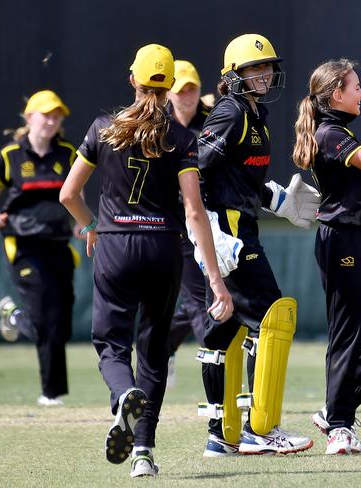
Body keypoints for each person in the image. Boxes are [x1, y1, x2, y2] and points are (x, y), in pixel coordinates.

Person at [58, 43, 233, 478]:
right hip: (163, 248)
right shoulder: (182, 138)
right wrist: (216, 280)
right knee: (153, 352)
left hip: (115, 246)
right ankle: (142, 453)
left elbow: (68, 194)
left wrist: (90, 227)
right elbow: (194, 211)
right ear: (170, 85)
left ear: (132, 80)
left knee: (111, 345)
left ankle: (122, 395)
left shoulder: (103, 128)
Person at [194, 33, 318, 457]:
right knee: (273, 316)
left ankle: (221, 435)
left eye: (266, 67)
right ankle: (261, 430)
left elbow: (240, 180)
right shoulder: (229, 112)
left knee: (227, 329)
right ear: (234, 75)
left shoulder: (253, 113)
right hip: (228, 229)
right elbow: (193, 170)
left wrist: (281, 201)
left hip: (241, 221)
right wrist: (207, 229)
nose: (264, 74)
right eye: (254, 68)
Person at [292, 59, 361, 455]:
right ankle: (339, 425)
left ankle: (335, 410)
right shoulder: (331, 133)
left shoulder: (339, 131)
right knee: (348, 332)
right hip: (343, 239)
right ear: (336, 93)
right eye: (355, 87)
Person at [0, 89, 78, 407]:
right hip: (23, 246)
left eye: (57, 114)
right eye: (46, 114)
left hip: (59, 244)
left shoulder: (68, 153)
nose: (52, 120)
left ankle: (54, 393)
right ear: (29, 118)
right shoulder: (11, 156)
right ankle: (49, 393)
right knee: (45, 315)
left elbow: (76, 194)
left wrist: (82, 222)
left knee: (61, 322)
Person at [165, 59, 214, 387]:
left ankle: (163, 344)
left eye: (191, 89)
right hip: (174, 223)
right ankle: (217, 364)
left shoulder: (211, 121)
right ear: (169, 93)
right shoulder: (158, 125)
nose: (186, 96)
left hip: (212, 219)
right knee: (200, 297)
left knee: (205, 295)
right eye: (180, 90)